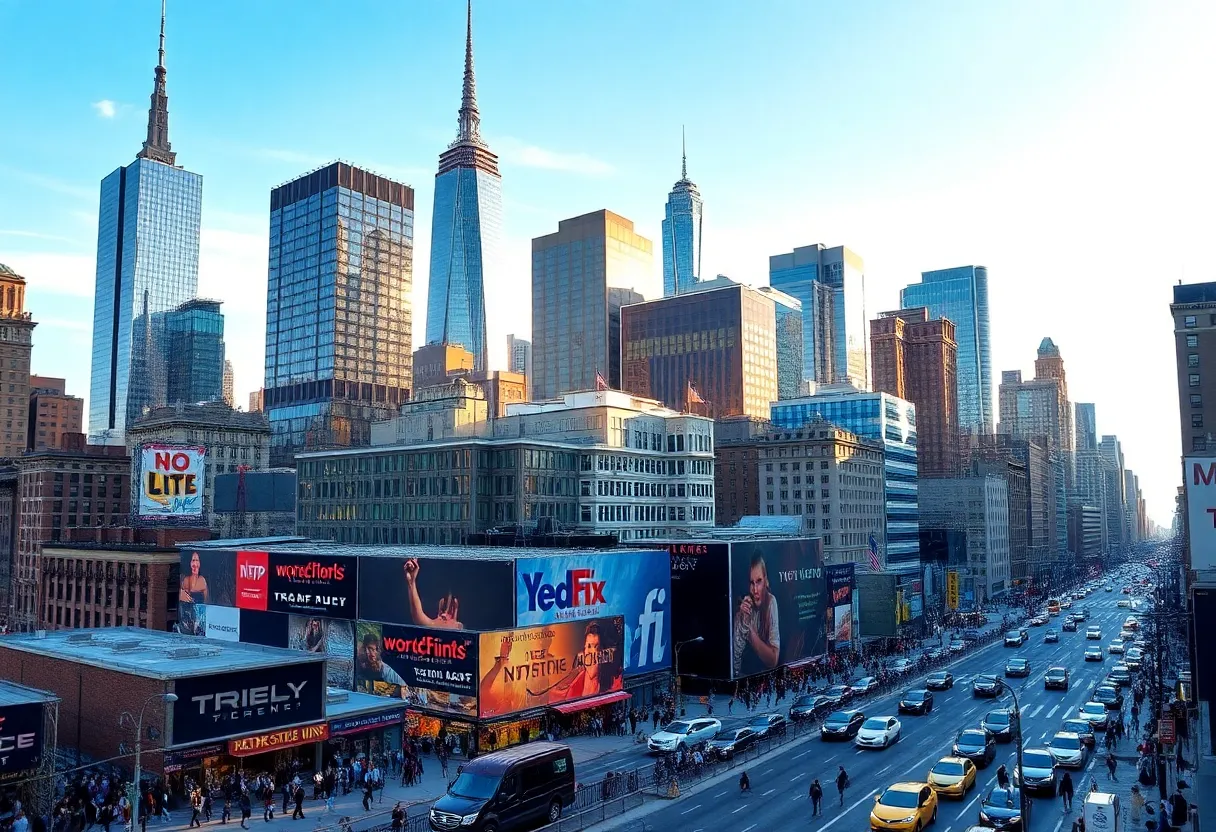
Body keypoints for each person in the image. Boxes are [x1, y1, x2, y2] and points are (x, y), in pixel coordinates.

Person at [733, 554, 781, 677]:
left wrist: (750, 631)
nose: (755, 590)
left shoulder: (771, 601)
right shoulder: (743, 608)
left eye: (759, 581)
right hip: (744, 675)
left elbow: (773, 660)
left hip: (763, 674)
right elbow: (734, 664)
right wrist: (742, 622)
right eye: (751, 583)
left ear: (766, 580)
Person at [403, 558, 464, 629]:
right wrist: (411, 582)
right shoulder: (436, 624)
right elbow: (419, 617)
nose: (444, 615)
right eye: (443, 609)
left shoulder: (459, 628)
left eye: (452, 609)